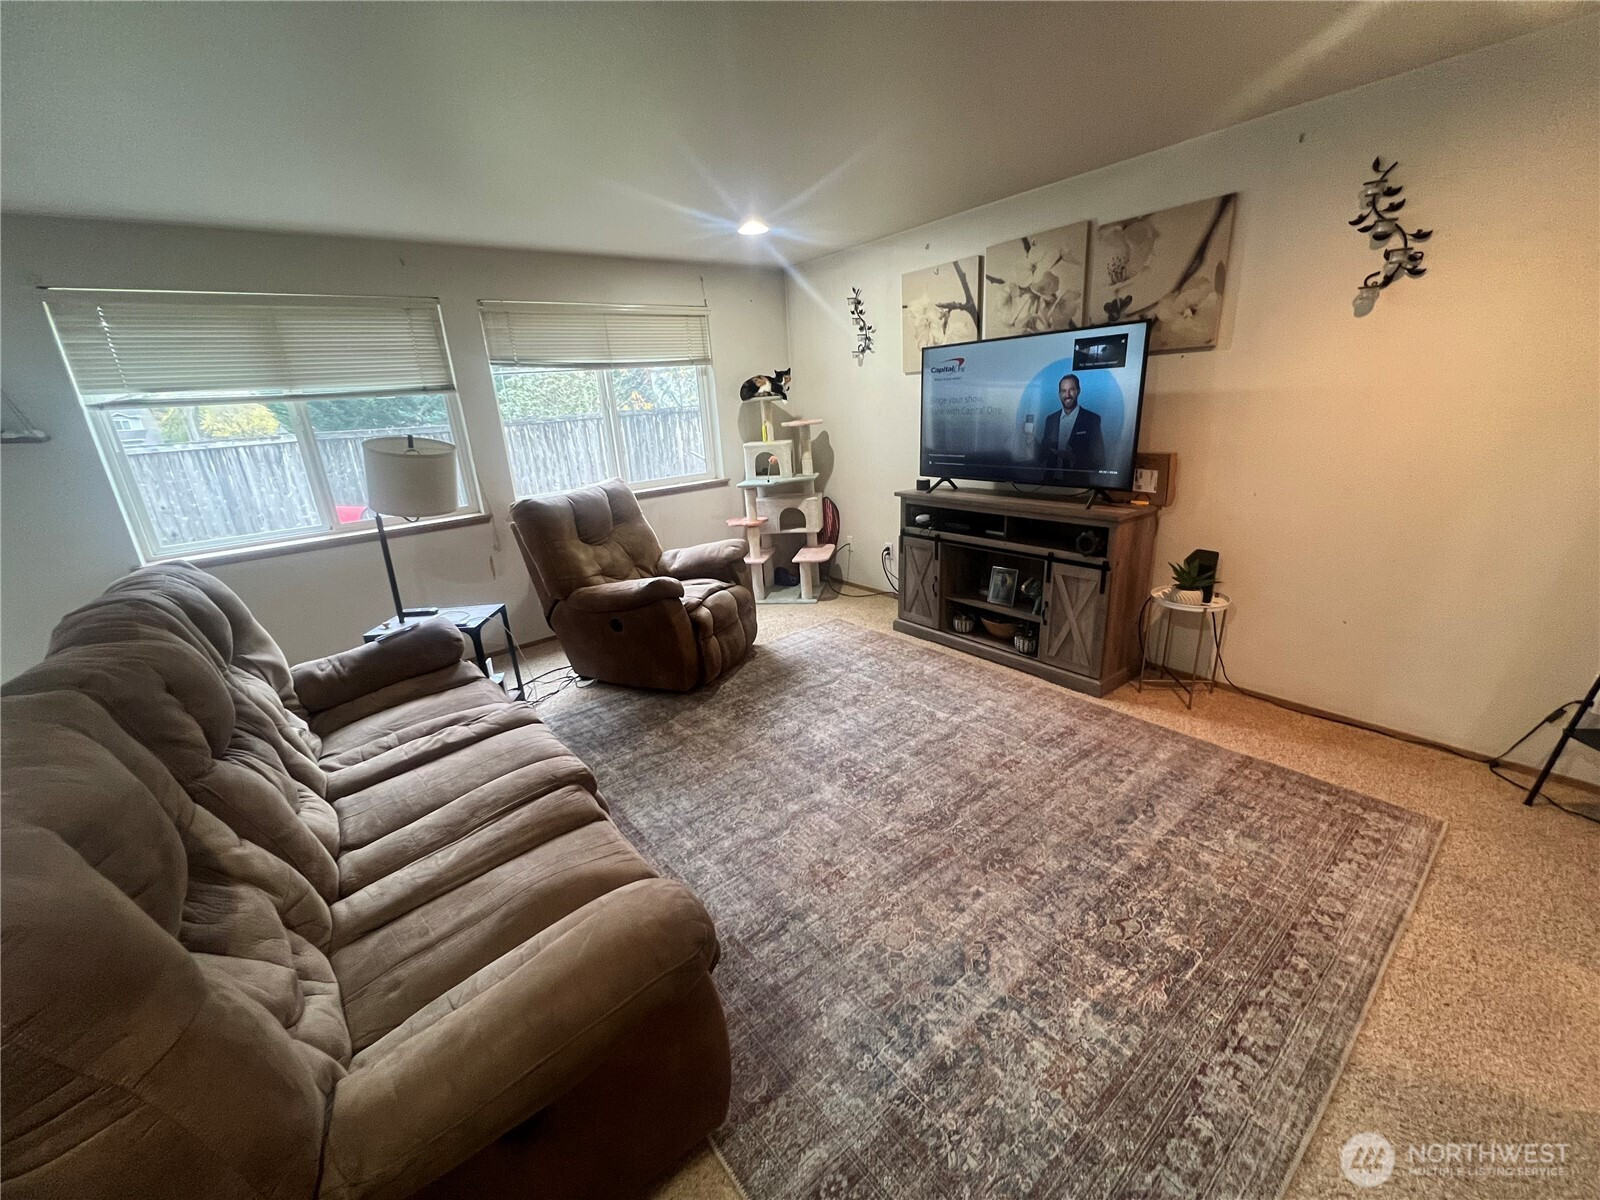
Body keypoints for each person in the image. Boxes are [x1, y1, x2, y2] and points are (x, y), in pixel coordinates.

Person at [1036, 373, 1104, 472]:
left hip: (1077, 481)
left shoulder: (1092, 420)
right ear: (1059, 394)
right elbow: (1042, 456)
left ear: (1078, 391)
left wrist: (1074, 458)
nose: (1067, 395)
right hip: (1049, 480)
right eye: (1063, 391)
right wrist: (1030, 440)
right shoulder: (1051, 420)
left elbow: (1099, 461)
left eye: (1071, 390)